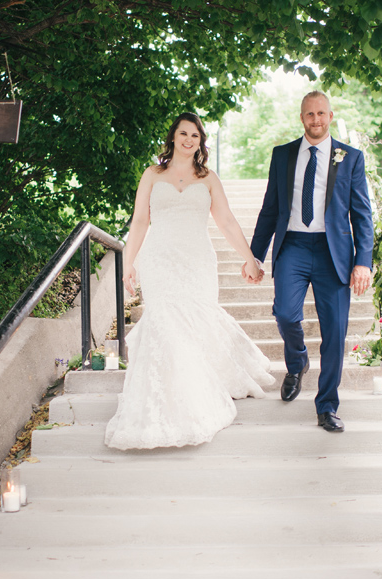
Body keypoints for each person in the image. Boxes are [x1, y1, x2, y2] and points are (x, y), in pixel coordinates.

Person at [104, 113, 275, 450]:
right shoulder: (152, 175)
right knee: (165, 324)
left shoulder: (208, 178)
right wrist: (128, 263)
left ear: (201, 141)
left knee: (193, 324)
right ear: (173, 138)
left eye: (195, 135)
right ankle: (169, 396)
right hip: (160, 261)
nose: (188, 140)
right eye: (183, 133)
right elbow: (139, 222)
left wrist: (249, 258)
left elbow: (225, 221)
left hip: (197, 261)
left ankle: (194, 389)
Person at [248, 91, 374, 433]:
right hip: (294, 246)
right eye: (309, 114)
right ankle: (297, 360)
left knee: (335, 331)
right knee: (286, 314)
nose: (315, 120)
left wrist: (364, 261)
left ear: (330, 116)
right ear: (301, 117)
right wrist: (254, 255)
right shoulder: (283, 155)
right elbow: (270, 208)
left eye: (321, 113)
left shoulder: (350, 158)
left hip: (334, 252)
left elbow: (363, 215)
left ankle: (327, 406)